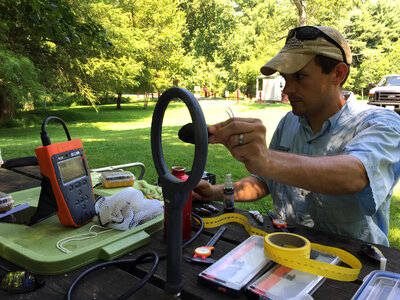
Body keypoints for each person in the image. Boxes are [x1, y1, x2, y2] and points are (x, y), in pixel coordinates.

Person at [193, 25, 400, 246]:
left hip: (354, 269)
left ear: (338, 74)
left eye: (300, 77)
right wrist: (215, 193)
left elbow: (355, 175)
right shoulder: (289, 122)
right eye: (285, 78)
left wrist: (266, 159)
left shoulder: (381, 124)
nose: (287, 90)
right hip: (288, 252)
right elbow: (264, 181)